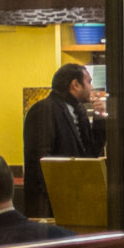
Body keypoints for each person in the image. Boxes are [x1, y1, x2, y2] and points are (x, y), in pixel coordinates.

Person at [22, 63, 107, 218]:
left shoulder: (79, 111)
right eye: (88, 82)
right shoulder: (44, 110)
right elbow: (41, 162)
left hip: (77, 198)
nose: (91, 87)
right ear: (75, 85)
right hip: (52, 202)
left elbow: (91, 153)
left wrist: (100, 118)